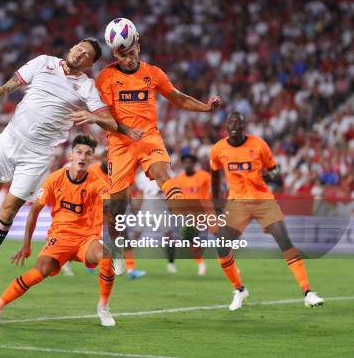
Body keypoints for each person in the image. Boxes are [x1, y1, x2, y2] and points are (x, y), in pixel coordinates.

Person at [0, 38, 138, 295]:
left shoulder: (86, 86)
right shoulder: (43, 62)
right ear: (72, 48)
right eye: (78, 48)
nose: (79, 53)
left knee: (9, 210)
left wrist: (93, 116)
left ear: (89, 64)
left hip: (37, 155)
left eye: (86, 55)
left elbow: (109, 120)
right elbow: (10, 85)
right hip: (9, 140)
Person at [94, 21, 221, 257]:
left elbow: (179, 99)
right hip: (120, 144)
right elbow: (102, 117)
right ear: (114, 53)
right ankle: (117, 246)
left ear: (138, 46)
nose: (128, 59)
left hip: (148, 138)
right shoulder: (106, 78)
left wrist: (205, 107)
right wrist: (125, 130)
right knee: (118, 207)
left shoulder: (153, 74)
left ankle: (188, 222)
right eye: (122, 55)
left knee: (163, 174)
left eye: (131, 53)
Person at [0, 135, 116, 326]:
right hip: (59, 238)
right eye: (79, 152)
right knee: (38, 272)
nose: (83, 157)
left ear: (92, 159)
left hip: (85, 239)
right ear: (71, 155)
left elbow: (110, 210)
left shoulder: (98, 183)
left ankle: (103, 306)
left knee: (107, 257)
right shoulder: (55, 179)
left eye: (88, 154)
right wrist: (26, 245)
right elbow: (34, 212)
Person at [210, 112, 324, 310]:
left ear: (244, 125)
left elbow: (275, 169)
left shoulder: (259, 145)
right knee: (221, 248)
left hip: (263, 201)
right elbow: (214, 174)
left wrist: (269, 177)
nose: (234, 125)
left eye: (238, 122)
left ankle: (308, 292)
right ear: (226, 126)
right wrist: (216, 203)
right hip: (237, 203)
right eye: (231, 122)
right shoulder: (218, 149)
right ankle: (239, 289)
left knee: (285, 242)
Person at [89, 153, 146, 279]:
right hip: (95, 214)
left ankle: (131, 270)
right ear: (102, 158)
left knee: (125, 240)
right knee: (89, 242)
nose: (108, 161)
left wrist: (132, 207)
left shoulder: (117, 172)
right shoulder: (92, 171)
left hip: (113, 214)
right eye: (106, 158)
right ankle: (90, 264)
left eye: (110, 159)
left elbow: (125, 191)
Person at [170, 153, 211, 276]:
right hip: (187, 213)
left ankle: (230, 264)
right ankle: (201, 263)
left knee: (221, 236)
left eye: (190, 162)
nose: (188, 164)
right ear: (183, 164)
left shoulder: (204, 176)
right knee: (190, 238)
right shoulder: (178, 179)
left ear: (194, 164)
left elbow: (215, 190)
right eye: (185, 162)